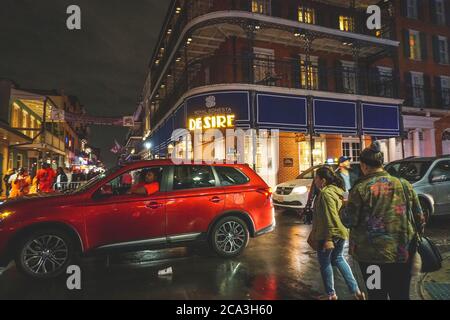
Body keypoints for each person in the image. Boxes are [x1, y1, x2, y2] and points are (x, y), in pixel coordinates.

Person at [344, 141, 425, 300]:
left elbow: (349, 220)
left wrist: (343, 207)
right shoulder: (404, 184)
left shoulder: (360, 189)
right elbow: (419, 218)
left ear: (364, 166)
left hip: (371, 257)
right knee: (400, 295)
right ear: (381, 163)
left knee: (376, 295)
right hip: (402, 253)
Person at [308, 166, 365, 300]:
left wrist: (328, 238)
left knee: (325, 263)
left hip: (328, 233)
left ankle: (330, 295)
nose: (314, 181)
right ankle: (356, 292)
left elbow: (330, 216)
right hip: (341, 231)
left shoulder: (326, 193)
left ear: (322, 180)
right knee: (338, 258)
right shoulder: (337, 191)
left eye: (316, 178)